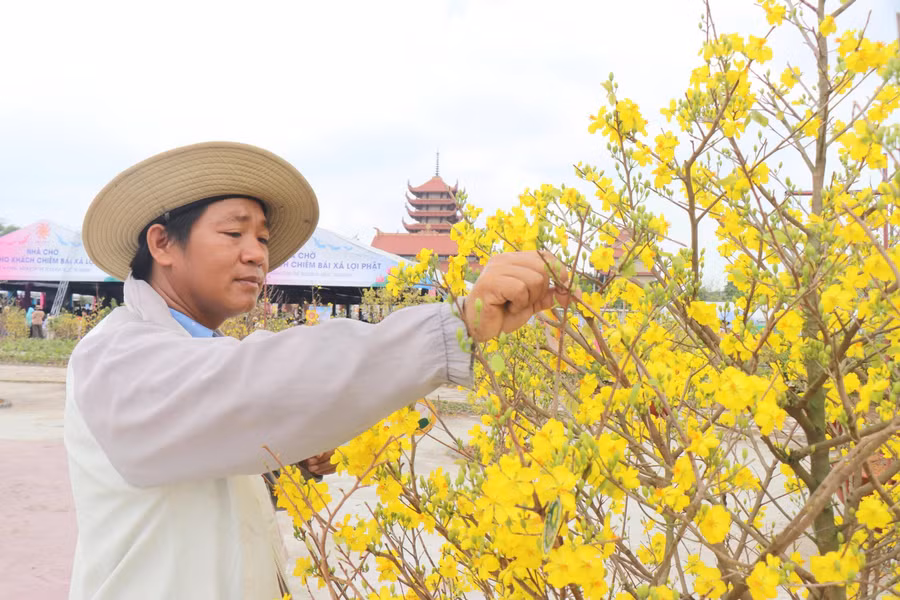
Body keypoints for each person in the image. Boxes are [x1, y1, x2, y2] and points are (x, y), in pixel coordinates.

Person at [65, 142, 567, 600]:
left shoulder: (197, 353)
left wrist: (277, 467)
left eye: (261, 238)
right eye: (234, 232)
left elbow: (200, 481)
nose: (256, 253)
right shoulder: (115, 356)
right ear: (163, 244)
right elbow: (256, 381)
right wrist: (456, 327)